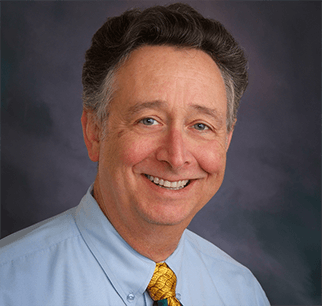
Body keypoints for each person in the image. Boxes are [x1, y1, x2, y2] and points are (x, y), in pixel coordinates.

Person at [0, 3, 270, 305]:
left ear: (227, 140)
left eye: (201, 125)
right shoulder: (10, 284)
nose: (176, 156)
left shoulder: (242, 292)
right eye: (148, 120)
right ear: (94, 132)